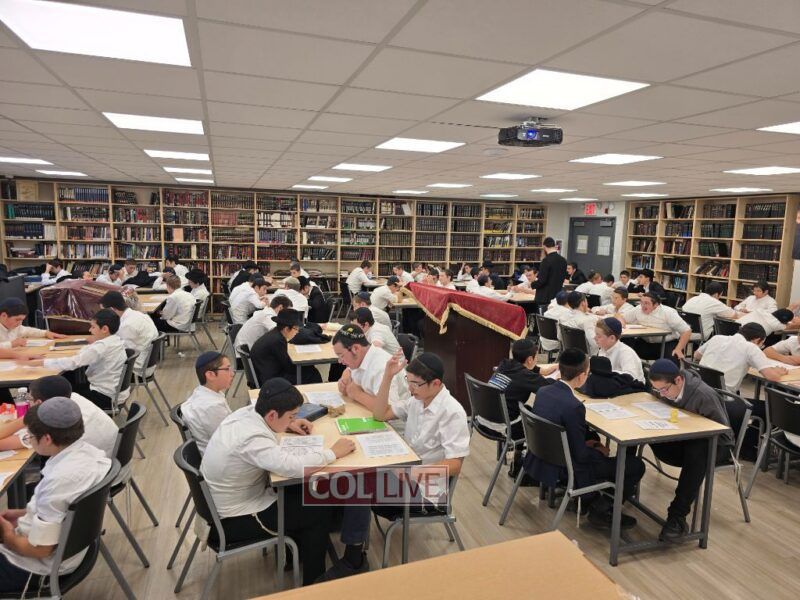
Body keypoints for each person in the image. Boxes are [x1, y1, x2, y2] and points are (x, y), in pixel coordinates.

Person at [200, 378, 355, 585]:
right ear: (272, 415)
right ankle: (314, 584)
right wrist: (333, 453)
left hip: (228, 503)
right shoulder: (252, 438)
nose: (295, 418)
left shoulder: (247, 413)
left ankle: (296, 554)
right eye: (292, 415)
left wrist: (288, 424)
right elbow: (293, 467)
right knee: (318, 509)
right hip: (236, 519)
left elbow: (274, 442)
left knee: (303, 492)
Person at [0, 397, 111, 595]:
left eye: (30, 437)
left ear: (47, 439)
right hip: (71, 551)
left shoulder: (58, 480)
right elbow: (62, 512)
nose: (29, 441)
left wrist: (7, 536)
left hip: (36, 568)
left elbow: (41, 549)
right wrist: (24, 514)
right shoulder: (92, 455)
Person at [527, 349, 645, 528]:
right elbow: (581, 456)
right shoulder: (574, 406)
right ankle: (603, 509)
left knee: (592, 437)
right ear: (582, 376)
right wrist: (598, 450)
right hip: (566, 467)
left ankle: (597, 496)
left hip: (543, 456)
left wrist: (590, 444)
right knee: (635, 465)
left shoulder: (543, 391)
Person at [648, 359, 733, 541]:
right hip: (681, 438)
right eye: (656, 390)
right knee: (638, 434)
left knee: (699, 449)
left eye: (664, 390)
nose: (661, 394)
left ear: (678, 380)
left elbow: (723, 432)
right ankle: (621, 490)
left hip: (716, 446)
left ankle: (677, 517)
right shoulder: (666, 387)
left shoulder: (703, 395)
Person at [27, 309, 128, 411]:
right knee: (66, 387)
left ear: (104, 329)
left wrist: (42, 362)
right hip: (112, 392)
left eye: (93, 327)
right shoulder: (115, 340)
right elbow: (83, 354)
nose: (90, 330)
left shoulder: (101, 347)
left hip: (103, 396)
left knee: (56, 394)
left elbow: (74, 362)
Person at [488, 338, 556, 476]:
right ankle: (526, 465)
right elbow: (549, 388)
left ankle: (519, 459)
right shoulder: (525, 376)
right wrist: (559, 378)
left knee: (526, 410)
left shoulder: (504, 364)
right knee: (539, 419)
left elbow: (522, 370)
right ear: (530, 359)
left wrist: (539, 370)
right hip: (503, 426)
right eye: (536, 358)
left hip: (486, 418)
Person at [28, 375, 118, 458]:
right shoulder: (71, 398)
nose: (28, 402)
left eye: (29, 399)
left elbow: (35, 440)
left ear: (38, 403)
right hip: (107, 454)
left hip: (89, 458)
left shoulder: (61, 419)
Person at [332, 325, 410, 411]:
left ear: (355, 348)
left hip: (392, 418)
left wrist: (357, 394)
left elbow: (388, 409)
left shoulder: (381, 367)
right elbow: (349, 370)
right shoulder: (361, 357)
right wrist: (344, 379)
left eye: (341, 356)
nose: (340, 361)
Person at [694, 322, 787, 394]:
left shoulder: (717, 338)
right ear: (757, 340)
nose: (761, 346)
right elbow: (772, 376)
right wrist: (779, 372)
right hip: (722, 397)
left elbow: (697, 355)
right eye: (762, 344)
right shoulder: (751, 348)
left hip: (698, 389)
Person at [181, 352, 235, 453]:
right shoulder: (211, 406)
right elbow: (230, 440)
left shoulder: (202, 391)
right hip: (221, 455)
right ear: (210, 375)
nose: (232, 373)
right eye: (227, 369)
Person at [250, 309, 320, 384]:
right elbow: (289, 367)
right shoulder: (277, 340)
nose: (297, 332)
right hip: (271, 379)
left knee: (309, 369)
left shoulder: (275, 333)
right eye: (296, 328)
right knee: (312, 374)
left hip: (265, 372)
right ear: (286, 329)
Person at [99, 291, 158, 375]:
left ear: (112, 309)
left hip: (135, 369)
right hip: (146, 363)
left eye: (103, 312)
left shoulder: (126, 325)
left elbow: (121, 353)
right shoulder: (140, 315)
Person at [621, 292, 691, 360]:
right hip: (645, 342)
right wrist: (623, 324)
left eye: (646, 303)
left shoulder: (668, 312)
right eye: (641, 302)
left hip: (667, 342)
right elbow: (621, 317)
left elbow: (687, 331)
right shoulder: (638, 309)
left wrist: (678, 349)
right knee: (624, 346)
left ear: (656, 304)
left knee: (673, 356)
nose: (643, 306)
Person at [0, 298, 65, 349]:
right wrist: (12, 344)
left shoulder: (14, 327)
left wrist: (46, 333)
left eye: (22, 320)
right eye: (17, 320)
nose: (19, 323)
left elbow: (28, 331)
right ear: (4, 315)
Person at [594, 317, 644, 382]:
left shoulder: (626, 353)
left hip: (631, 386)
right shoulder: (602, 350)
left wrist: (606, 372)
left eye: (599, 336)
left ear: (612, 338)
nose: (595, 338)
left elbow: (631, 376)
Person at [531, 237, 567, 310]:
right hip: (557, 296)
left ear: (544, 247)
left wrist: (532, 284)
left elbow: (542, 280)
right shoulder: (563, 260)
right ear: (554, 246)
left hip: (544, 297)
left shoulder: (546, 261)